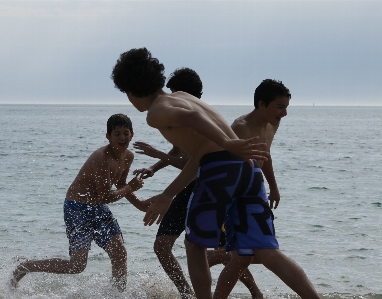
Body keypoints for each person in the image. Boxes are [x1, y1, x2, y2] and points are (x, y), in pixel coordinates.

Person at [111, 48, 320, 299]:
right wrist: (168, 194)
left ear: (131, 91)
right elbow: (201, 153)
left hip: (221, 169)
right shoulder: (183, 96)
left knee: (194, 243)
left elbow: (194, 120)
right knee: (266, 250)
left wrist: (228, 143)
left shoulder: (156, 112)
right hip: (249, 169)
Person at [133, 67, 262, 299]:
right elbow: (188, 155)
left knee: (211, 248)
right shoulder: (186, 109)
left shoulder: (167, 111)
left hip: (205, 181)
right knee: (175, 246)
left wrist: (228, 143)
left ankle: (251, 292)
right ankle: (188, 294)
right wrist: (156, 171)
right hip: (210, 178)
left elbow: (197, 159)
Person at [11, 114, 147, 291]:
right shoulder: (102, 158)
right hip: (77, 208)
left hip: (98, 208)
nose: (122, 138)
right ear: (108, 137)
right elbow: (107, 195)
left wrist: (140, 205)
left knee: (119, 252)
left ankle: (117, 294)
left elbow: (120, 184)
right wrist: (131, 187)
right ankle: (26, 266)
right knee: (77, 266)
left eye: (125, 133)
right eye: (117, 134)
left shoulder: (128, 156)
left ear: (132, 135)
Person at [206, 78, 291, 295]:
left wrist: (274, 186)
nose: (284, 113)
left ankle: (213, 258)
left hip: (256, 190)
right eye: (280, 107)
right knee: (253, 255)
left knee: (244, 257)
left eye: (286, 107)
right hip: (237, 196)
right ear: (262, 104)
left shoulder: (273, 124)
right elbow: (224, 169)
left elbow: (266, 155)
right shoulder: (240, 127)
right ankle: (211, 257)